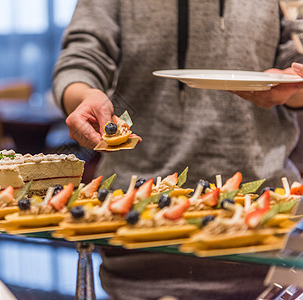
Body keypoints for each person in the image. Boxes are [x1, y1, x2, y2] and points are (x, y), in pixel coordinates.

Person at [52, 1, 303, 299]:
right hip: (137, 230)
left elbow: (296, 54)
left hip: (267, 228)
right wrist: (83, 97)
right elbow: (82, 55)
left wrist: (291, 84)